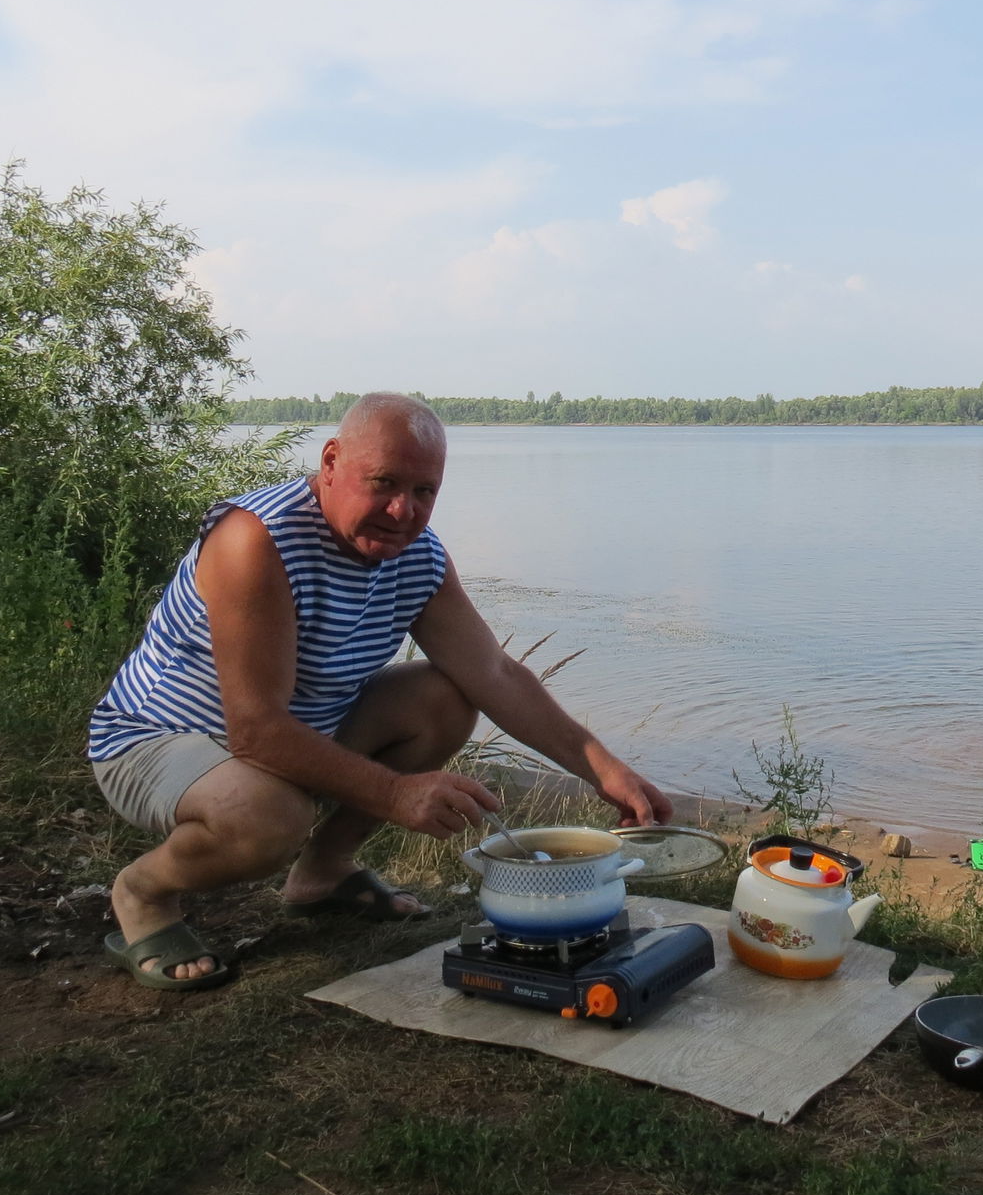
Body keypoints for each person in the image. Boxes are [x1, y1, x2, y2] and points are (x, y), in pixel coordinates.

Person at [88, 392, 673, 991]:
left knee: (445, 698)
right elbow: (256, 729)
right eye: (384, 483)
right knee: (267, 817)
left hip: (292, 735)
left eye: (424, 491)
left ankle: (323, 873)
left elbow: (493, 674)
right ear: (332, 462)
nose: (403, 511)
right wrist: (394, 793)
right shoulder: (255, 541)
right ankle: (144, 895)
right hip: (159, 738)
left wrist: (604, 770)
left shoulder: (416, 555)